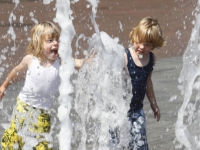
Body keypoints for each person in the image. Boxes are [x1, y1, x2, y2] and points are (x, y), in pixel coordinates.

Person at [0, 21, 85, 150]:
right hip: (23, 108)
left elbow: (79, 63)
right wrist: (4, 86)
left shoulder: (61, 61)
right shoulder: (30, 60)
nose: (55, 43)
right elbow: (16, 71)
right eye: (50, 40)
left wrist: (91, 61)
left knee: (43, 145)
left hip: (43, 113)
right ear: (38, 44)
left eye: (57, 40)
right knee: (13, 142)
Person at [124, 17, 166, 149]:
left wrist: (154, 104)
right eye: (140, 41)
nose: (142, 47)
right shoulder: (125, 56)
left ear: (154, 45)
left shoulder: (151, 59)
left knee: (140, 146)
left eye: (147, 44)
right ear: (134, 35)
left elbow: (148, 82)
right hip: (120, 112)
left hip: (137, 112)